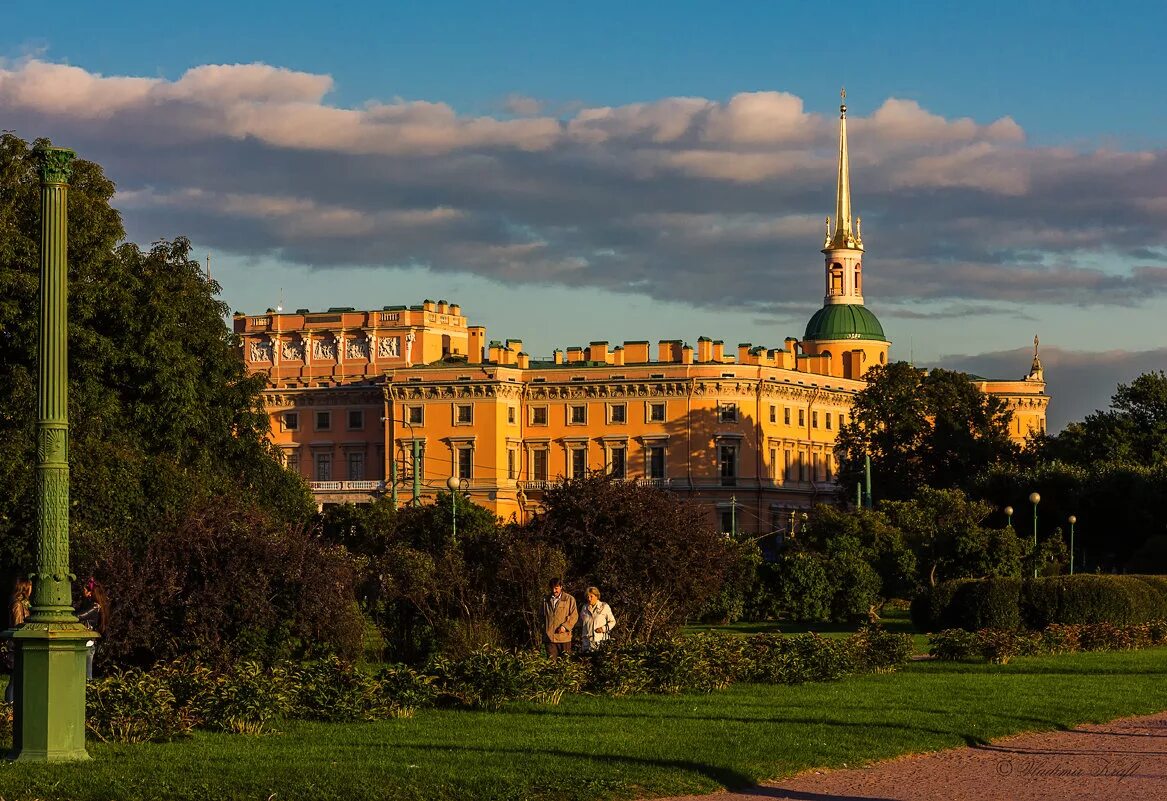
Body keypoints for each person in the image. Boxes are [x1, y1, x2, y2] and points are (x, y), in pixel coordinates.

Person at [3, 576, 32, 702]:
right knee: (15, 678)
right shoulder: (17, 604)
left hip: (20, 644)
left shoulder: (23, 603)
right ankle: (10, 703)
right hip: (17, 646)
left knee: (17, 677)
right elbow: (17, 624)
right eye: (30, 586)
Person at [76, 577, 108, 680]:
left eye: (85, 590)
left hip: (87, 642)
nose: (83, 592)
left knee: (86, 675)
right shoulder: (87, 604)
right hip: (83, 641)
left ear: (90, 592)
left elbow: (79, 616)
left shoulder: (95, 606)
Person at [542, 577, 577, 659]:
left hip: (564, 638)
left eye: (556, 588)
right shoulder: (546, 600)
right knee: (551, 664)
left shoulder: (569, 599)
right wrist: (544, 629)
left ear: (561, 587)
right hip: (549, 638)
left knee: (565, 664)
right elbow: (541, 616)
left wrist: (565, 627)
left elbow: (574, 616)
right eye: (552, 588)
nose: (554, 591)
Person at [579, 586, 616, 653]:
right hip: (587, 643)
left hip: (600, 641)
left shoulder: (604, 606)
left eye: (591, 596)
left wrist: (603, 629)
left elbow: (613, 622)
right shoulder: (584, 608)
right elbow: (581, 622)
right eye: (587, 597)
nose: (589, 599)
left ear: (596, 596)